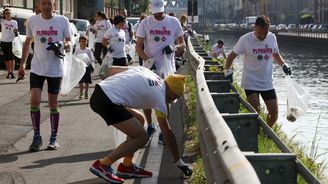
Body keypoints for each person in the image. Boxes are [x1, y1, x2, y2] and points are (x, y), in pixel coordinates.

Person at [89, 66, 192, 183]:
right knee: (141, 137)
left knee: (139, 119)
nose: (173, 101)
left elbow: (114, 70)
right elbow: (167, 134)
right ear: (172, 91)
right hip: (107, 101)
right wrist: (178, 161)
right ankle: (103, 164)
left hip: (100, 92)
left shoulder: (150, 73)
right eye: (175, 97)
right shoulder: (159, 97)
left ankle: (127, 166)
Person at [18, 0, 71, 152]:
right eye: (43, 3)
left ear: (54, 5)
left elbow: (69, 40)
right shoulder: (32, 21)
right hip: (37, 68)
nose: (46, 6)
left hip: (55, 69)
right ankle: (37, 136)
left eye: (49, 3)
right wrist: (22, 64)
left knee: (52, 103)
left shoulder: (62, 20)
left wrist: (64, 45)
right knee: (34, 100)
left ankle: (54, 138)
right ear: (39, 5)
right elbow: (27, 42)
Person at [224, 15, 292, 127]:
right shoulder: (245, 39)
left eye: (265, 33)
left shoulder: (272, 38)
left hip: (267, 82)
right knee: (256, 112)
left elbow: (275, 55)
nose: (262, 36)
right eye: (260, 33)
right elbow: (231, 57)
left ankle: (263, 133)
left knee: (274, 115)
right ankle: (254, 134)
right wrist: (228, 72)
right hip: (250, 81)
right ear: (254, 28)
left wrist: (284, 65)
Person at [136, 0, 186, 143]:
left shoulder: (173, 22)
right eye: (155, 12)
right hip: (150, 66)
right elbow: (138, 47)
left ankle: (163, 132)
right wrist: (147, 60)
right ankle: (150, 124)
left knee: (165, 99)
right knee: (147, 96)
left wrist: (174, 47)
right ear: (151, 9)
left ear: (163, 9)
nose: (157, 15)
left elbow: (182, 43)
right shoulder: (145, 23)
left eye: (160, 12)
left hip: (167, 67)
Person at [1, 8, 18, 79]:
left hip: (11, 41)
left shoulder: (14, 22)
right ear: (4, 15)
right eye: (6, 13)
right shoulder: (2, 21)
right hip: (4, 41)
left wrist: (15, 31)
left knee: (11, 57)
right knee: (6, 58)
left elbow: (16, 32)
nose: (8, 14)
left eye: (9, 13)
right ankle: (8, 72)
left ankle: (12, 72)